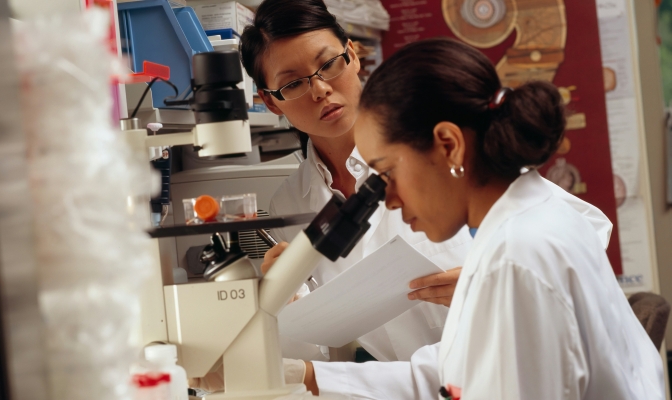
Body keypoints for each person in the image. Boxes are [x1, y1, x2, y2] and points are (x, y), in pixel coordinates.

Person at [239, 0, 613, 364]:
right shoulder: (287, 206)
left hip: (504, 360)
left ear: (353, 56)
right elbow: (317, 348)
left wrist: (495, 280)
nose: (320, 89)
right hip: (417, 384)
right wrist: (285, 300)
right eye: (293, 84)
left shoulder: (432, 142)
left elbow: (589, 230)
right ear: (271, 103)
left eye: (329, 64)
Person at [296, 38, 663, 399]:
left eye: (388, 173)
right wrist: (305, 376)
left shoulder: (515, 256)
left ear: (449, 145)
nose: (388, 200)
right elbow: (456, 377)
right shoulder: (524, 220)